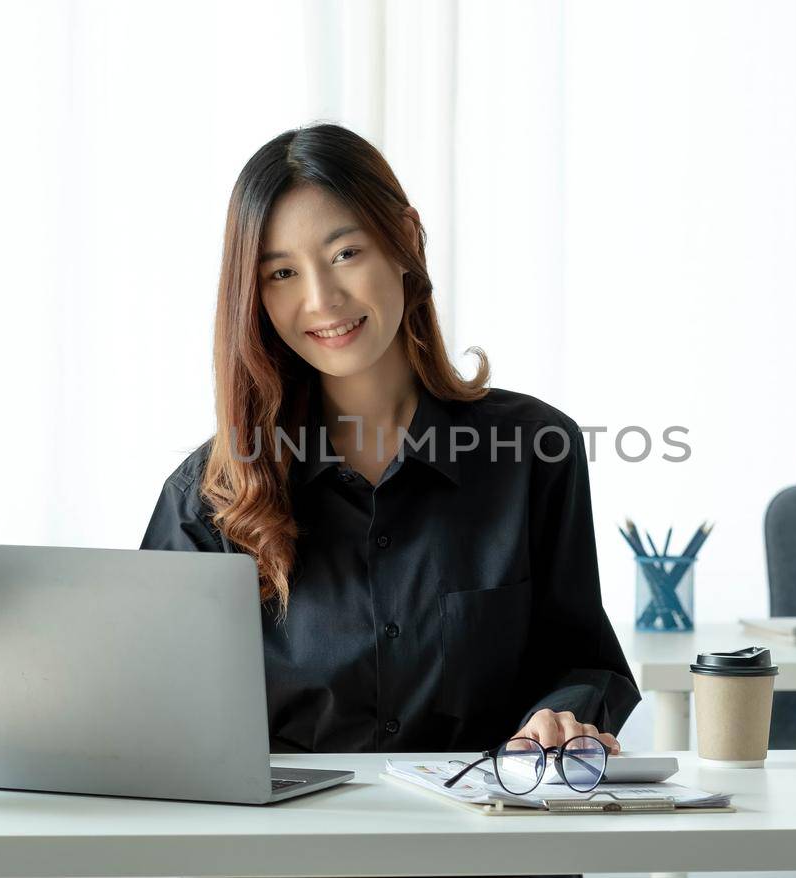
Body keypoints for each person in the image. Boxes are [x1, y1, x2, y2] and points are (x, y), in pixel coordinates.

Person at [140, 122, 638, 762]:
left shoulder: (537, 450)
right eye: (282, 273)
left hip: (489, 842)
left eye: (346, 254)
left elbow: (583, 662)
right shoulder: (209, 494)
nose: (322, 301)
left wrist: (559, 717)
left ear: (404, 238)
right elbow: (153, 710)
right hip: (289, 853)